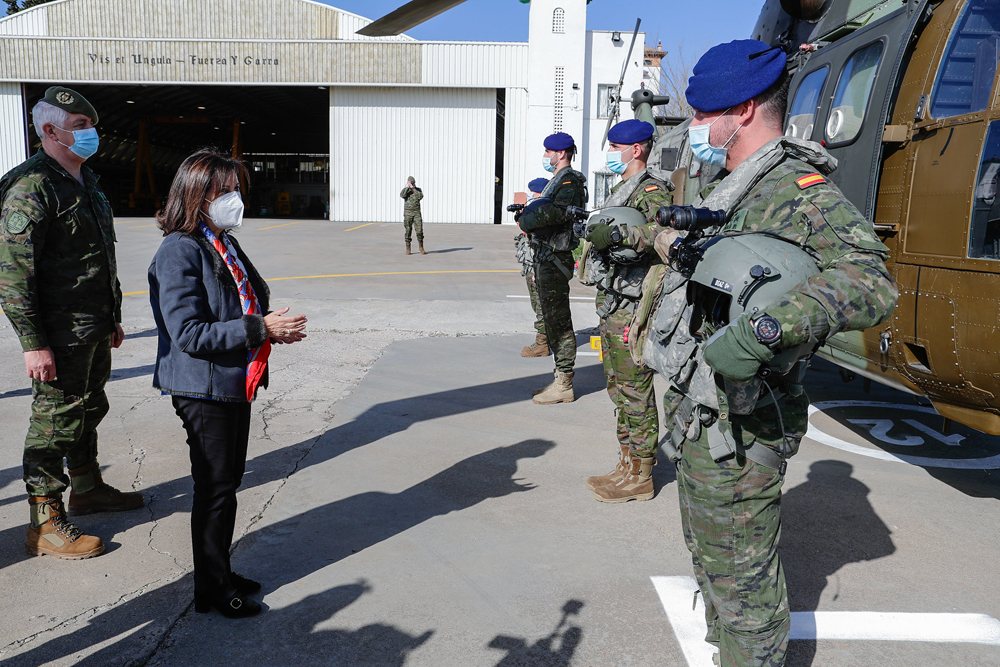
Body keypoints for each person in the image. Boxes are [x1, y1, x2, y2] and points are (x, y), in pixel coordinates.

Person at [644, 40, 897, 665]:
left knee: (743, 580)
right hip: (705, 409)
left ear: (747, 107)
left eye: (707, 114)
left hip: (748, 417)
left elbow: (871, 280)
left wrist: (763, 332)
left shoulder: (796, 186)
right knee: (712, 558)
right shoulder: (735, 184)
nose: (698, 126)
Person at [148, 149, 307, 618]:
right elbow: (189, 333)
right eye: (225, 190)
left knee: (226, 484)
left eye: (238, 189)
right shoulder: (180, 248)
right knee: (215, 487)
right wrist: (262, 329)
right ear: (197, 195)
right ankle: (213, 591)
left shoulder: (220, 240)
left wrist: (268, 326)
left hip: (230, 380)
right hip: (203, 385)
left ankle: (219, 573)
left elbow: (241, 301)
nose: (235, 199)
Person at [0, 86, 143, 560]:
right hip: (57, 335)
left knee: (90, 407)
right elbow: (14, 276)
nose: (91, 135)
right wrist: (33, 343)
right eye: (81, 127)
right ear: (49, 131)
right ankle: (44, 522)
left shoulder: (86, 180)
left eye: (90, 126)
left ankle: (87, 487)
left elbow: (98, 256)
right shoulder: (30, 186)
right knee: (53, 423)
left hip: (92, 327)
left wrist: (112, 317)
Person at [579, 119, 673, 502]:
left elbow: (665, 233)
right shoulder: (622, 188)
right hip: (614, 299)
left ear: (637, 149)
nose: (611, 153)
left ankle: (643, 473)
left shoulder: (652, 190)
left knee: (635, 388)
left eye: (616, 147)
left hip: (634, 304)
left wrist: (620, 235)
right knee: (618, 386)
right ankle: (627, 462)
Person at [517, 133, 587, 404]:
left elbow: (555, 213)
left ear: (562, 153)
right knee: (550, 318)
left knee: (559, 321)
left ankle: (565, 382)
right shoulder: (556, 181)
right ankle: (559, 378)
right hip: (545, 256)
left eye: (549, 152)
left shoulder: (570, 181)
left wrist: (527, 218)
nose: (546, 156)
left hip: (556, 258)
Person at [518, 177, 551, 357]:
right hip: (532, 266)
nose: (531, 195)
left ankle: (542, 344)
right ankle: (545, 339)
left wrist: (537, 271)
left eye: (534, 192)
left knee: (540, 305)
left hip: (537, 267)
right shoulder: (536, 210)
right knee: (537, 304)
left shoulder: (543, 212)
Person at [400, 176, 425, 255]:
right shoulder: (405, 190)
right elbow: (402, 195)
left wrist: (414, 188)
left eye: (413, 182)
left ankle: (421, 247)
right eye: (411, 182)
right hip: (408, 213)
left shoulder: (418, 190)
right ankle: (408, 248)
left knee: (419, 230)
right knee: (408, 230)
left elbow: (420, 196)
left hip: (416, 212)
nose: (412, 184)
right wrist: (408, 187)